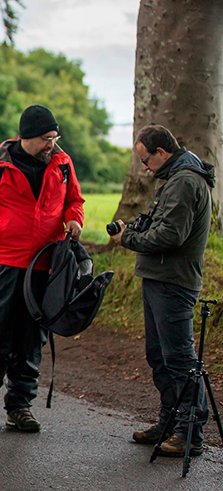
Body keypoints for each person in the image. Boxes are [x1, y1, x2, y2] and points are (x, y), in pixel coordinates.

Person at [0, 105, 85, 433]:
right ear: (27, 136)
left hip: (46, 265)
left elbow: (75, 202)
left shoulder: (63, 164)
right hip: (3, 262)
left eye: (55, 138)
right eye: (46, 138)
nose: (52, 145)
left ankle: (20, 406)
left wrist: (74, 218)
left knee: (32, 337)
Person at [110, 124, 214, 456]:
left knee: (179, 358)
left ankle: (189, 432)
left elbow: (171, 236)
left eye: (146, 160)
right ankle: (170, 422)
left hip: (174, 282)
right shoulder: (176, 177)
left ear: (162, 153)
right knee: (159, 357)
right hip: (161, 278)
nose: (143, 167)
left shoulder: (184, 181)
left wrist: (127, 238)